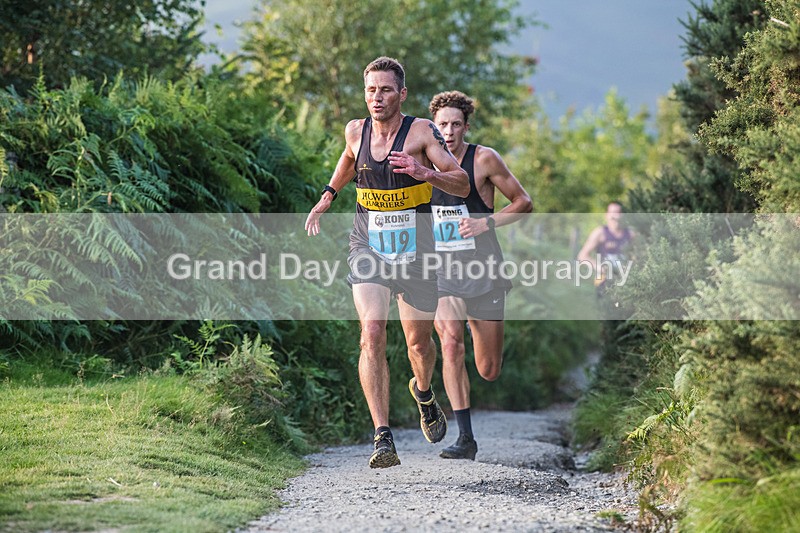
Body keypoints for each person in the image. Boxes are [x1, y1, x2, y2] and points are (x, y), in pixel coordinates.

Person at [305, 57, 469, 468]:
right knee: (372, 331)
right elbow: (347, 157)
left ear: (402, 94)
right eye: (370, 90)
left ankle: (424, 393)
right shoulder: (355, 130)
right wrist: (328, 194)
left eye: (386, 90)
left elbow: (462, 182)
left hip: (417, 253)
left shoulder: (421, 132)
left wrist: (423, 172)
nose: (377, 98)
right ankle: (382, 437)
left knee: (419, 344)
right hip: (368, 245)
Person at [428, 90, 532, 460]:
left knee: (488, 369)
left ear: (466, 126)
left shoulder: (484, 159)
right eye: (442, 125)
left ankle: (479, 336)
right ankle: (465, 438)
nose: (449, 131)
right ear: (433, 128)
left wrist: (485, 222)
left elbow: (524, 202)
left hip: (483, 270)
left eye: (456, 124)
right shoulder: (422, 162)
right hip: (441, 271)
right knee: (450, 342)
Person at [576, 201, 633, 294]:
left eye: (618, 212)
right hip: (603, 281)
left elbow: (639, 255)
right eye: (612, 212)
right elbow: (582, 256)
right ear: (606, 215)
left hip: (625, 282)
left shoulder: (630, 234)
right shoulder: (600, 233)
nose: (615, 216)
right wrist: (600, 267)